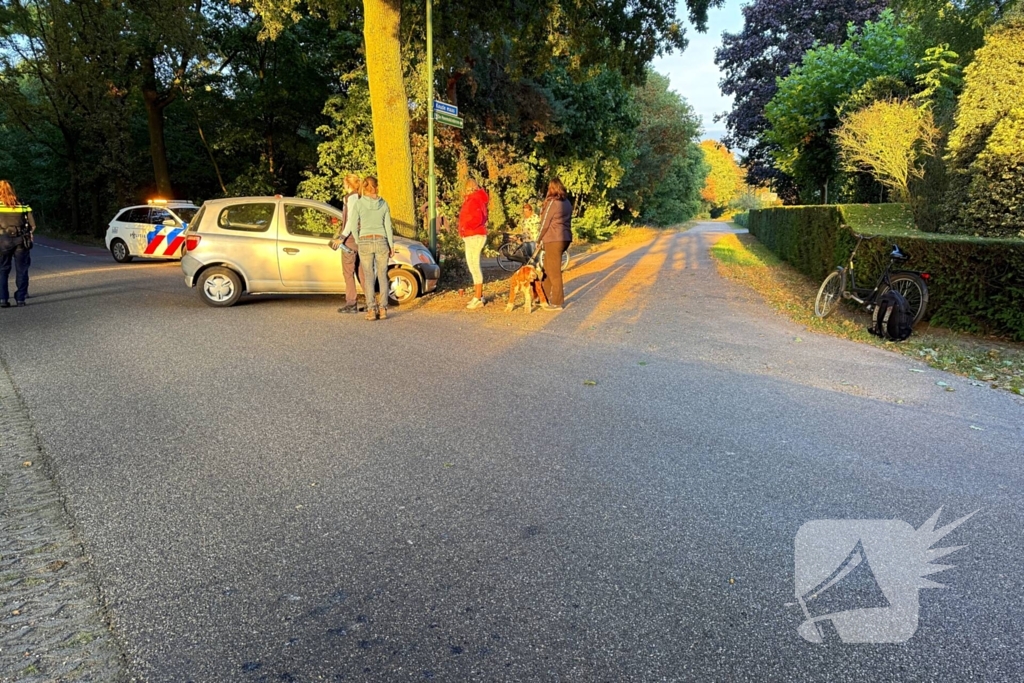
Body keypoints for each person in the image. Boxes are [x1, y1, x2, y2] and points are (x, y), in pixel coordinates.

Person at [344, 176, 394, 321]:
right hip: (381, 240)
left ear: (364, 188)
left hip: (365, 240)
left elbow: (353, 225)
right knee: (382, 275)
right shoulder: (383, 204)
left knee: (368, 276)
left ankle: (371, 310)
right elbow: (388, 227)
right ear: (377, 187)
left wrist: (358, 240)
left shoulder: (359, 204)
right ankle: (383, 309)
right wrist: (391, 245)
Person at [536, 178, 572, 311]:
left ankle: (557, 302)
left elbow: (545, 222)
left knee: (553, 271)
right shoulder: (567, 202)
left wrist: (538, 239)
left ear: (551, 189)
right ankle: (543, 297)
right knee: (547, 268)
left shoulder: (553, 202)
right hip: (565, 237)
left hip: (553, 239)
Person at [330, 174, 363, 314]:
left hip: (350, 239)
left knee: (348, 272)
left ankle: (351, 303)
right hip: (360, 239)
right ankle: (371, 303)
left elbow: (351, 220)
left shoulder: (351, 198)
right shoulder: (361, 197)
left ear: (348, 184)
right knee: (361, 272)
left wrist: (342, 237)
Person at [0, 180, 35, 308]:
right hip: (21, 240)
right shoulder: (23, 204)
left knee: (3, 270)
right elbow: (33, 225)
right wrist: (29, 233)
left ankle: (3, 299)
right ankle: (20, 298)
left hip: (3, 240)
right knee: (22, 269)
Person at [458, 179, 489, 310]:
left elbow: (477, 218)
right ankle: (478, 295)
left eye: (469, 188)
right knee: (472, 266)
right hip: (470, 235)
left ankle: (478, 297)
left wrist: (465, 227)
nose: (467, 191)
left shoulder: (474, 200)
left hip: (474, 235)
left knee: (474, 265)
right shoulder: (472, 199)